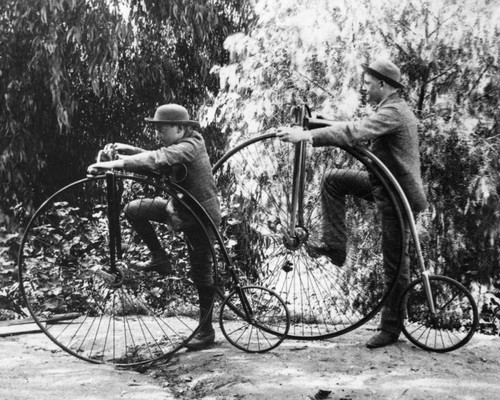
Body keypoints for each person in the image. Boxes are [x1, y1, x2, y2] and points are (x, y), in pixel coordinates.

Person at [276, 58, 428, 348]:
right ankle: (335, 246)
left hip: (399, 197)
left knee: (395, 262)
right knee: (333, 179)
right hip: (381, 184)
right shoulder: (389, 109)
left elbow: (355, 133)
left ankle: (391, 329)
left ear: (384, 85)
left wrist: (306, 135)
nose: (365, 88)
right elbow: (353, 127)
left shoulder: (394, 112)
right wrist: (312, 124)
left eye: (369, 84)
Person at [87, 103, 221, 350]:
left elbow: (158, 159)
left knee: (201, 272)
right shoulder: (180, 144)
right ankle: (160, 258)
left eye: (162, 129)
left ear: (180, 128)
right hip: (179, 208)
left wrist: (109, 165)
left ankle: (206, 330)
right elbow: (156, 155)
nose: (158, 135)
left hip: (201, 218)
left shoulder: (192, 146)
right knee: (134, 209)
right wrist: (127, 152)